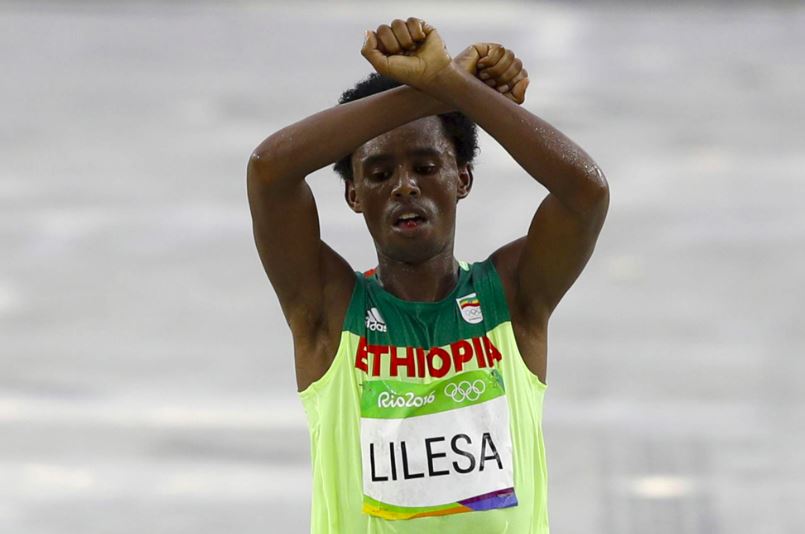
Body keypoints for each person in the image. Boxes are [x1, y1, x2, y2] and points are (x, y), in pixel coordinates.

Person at [247, 17, 608, 534]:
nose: (405, 187)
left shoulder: (513, 297)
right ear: (354, 196)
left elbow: (586, 193)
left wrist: (456, 89)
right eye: (378, 173)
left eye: (426, 166)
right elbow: (268, 172)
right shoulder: (327, 311)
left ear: (462, 178)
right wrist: (435, 89)